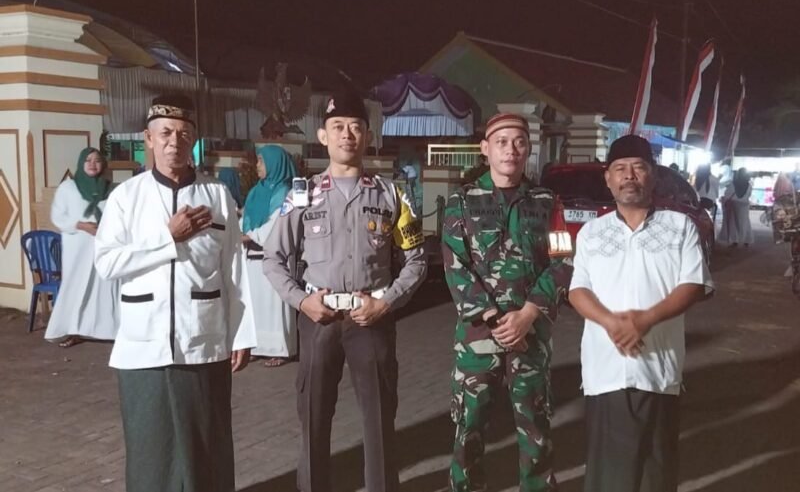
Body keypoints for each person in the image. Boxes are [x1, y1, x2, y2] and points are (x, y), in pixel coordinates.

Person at [263, 90, 427, 492]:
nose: (347, 135)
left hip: (371, 318)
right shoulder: (302, 195)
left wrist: (386, 302)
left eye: (355, 127)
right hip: (319, 319)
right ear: (323, 136)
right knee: (314, 418)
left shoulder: (391, 195)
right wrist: (301, 301)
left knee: (379, 419)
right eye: (337, 127)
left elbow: (417, 259)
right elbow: (273, 258)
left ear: (368, 136)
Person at [94, 95, 257, 492]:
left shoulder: (217, 196)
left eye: (184, 134)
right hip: (143, 346)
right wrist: (167, 237)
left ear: (194, 141)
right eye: (165, 133)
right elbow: (107, 263)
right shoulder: (125, 197)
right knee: (151, 452)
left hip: (203, 339)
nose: (174, 142)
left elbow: (234, 268)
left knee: (207, 448)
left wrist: (242, 333)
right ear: (148, 138)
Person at [569, 135, 714, 492]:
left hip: (658, 371)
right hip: (605, 371)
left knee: (656, 475)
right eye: (620, 169)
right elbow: (577, 289)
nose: (629, 176)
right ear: (608, 178)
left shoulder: (679, 227)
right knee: (608, 477)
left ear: (653, 175)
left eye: (638, 167)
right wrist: (612, 323)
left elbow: (694, 284)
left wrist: (644, 320)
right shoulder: (591, 233)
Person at [442, 113, 573, 492]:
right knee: (469, 425)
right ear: (485, 149)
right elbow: (455, 263)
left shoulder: (547, 202)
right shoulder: (462, 201)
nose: (510, 150)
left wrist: (529, 313)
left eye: (519, 142)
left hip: (529, 333)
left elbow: (562, 261)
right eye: (501, 142)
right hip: (478, 335)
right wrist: (493, 316)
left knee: (535, 424)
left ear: (528, 148)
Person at [45, 147, 119, 348]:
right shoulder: (68, 188)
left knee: (105, 285)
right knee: (76, 286)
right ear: (81, 163)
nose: (93, 164)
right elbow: (58, 216)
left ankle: (109, 330)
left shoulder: (111, 189)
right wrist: (81, 225)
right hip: (77, 245)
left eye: (97, 160)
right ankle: (72, 329)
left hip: (104, 244)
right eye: (88, 160)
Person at [241, 145, 299, 367]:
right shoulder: (256, 192)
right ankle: (258, 347)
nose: (257, 165)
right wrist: (241, 232)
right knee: (256, 304)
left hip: (275, 257)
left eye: (261, 161)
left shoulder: (285, 193)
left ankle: (280, 350)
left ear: (275, 163)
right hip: (252, 257)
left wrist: (251, 235)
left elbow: (278, 225)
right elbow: (246, 219)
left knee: (275, 305)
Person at [719, 167, 754, 248]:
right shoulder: (749, 185)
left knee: (733, 223)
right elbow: (748, 195)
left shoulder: (733, 184)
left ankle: (735, 240)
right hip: (744, 205)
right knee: (745, 222)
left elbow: (727, 194)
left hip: (734, 204)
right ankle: (746, 239)